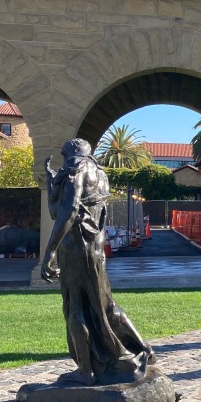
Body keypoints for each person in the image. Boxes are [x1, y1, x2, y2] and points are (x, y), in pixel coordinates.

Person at [41, 139, 154, 385]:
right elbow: (69, 207)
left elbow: (67, 210)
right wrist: (52, 182)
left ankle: (85, 370)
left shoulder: (74, 170)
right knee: (104, 303)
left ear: (69, 153)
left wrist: (50, 251)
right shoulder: (100, 173)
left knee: (76, 307)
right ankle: (143, 349)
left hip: (75, 246)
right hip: (95, 245)